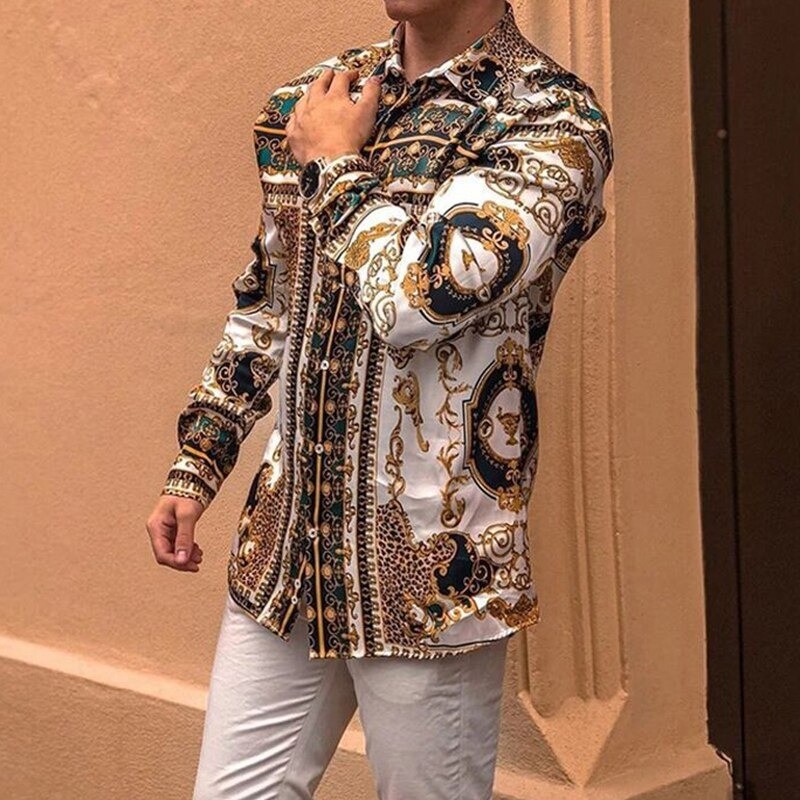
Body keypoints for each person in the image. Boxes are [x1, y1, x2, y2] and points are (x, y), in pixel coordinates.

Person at [145, 1, 613, 797]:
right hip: (289, 553)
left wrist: (333, 163)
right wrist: (199, 460)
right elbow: (270, 305)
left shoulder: (552, 121)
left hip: (430, 572)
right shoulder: (315, 100)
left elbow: (417, 301)